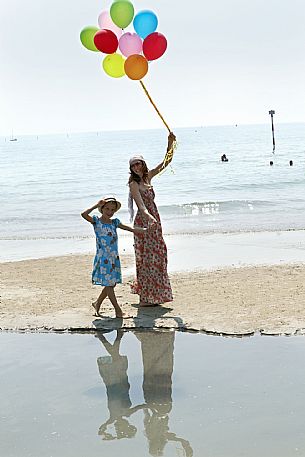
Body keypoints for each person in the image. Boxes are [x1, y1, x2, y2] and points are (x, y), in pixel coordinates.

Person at [128, 132, 176, 307]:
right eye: (133, 165)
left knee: (159, 255)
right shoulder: (133, 184)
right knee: (146, 259)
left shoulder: (148, 177)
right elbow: (140, 206)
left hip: (155, 220)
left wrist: (170, 143)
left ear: (143, 164)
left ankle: (157, 295)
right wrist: (149, 218)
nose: (136, 167)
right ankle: (146, 298)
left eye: (138, 164)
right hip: (144, 223)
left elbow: (166, 162)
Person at [81, 196, 146, 318]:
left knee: (111, 284)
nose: (110, 212)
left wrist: (144, 230)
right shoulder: (96, 221)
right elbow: (83, 214)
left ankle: (97, 303)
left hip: (113, 258)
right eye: (107, 209)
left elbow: (130, 228)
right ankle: (118, 311)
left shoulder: (114, 222)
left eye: (112, 210)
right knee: (110, 285)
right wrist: (96, 205)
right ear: (102, 208)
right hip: (103, 258)